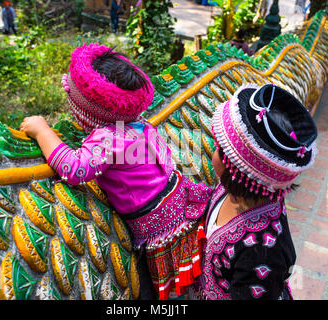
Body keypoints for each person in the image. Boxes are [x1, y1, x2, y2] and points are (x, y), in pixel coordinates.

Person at [19, 43, 212, 300]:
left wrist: (42, 130)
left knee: (176, 292)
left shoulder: (110, 139)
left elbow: (75, 169)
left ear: (89, 109)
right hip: (177, 196)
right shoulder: (136, 124)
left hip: (162, 223)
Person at [190, 83, 317, 300]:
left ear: (235, 169)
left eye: (220, 149)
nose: (213, 150)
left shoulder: (263, 253)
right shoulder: (241, 188)